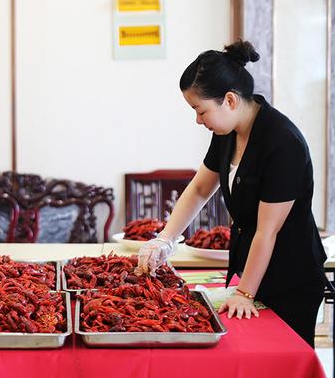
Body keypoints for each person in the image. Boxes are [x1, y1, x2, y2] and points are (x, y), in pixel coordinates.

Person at [136, 40, 327, 347]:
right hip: (250, 267)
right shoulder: (228, 133)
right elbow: (199, 189)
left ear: (229, 100)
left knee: (280, 359)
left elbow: (268, 230)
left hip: (289, 276)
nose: (198, 120)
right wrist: (165, 238)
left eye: (201, 110)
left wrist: (245, 292)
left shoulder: (282, 141)